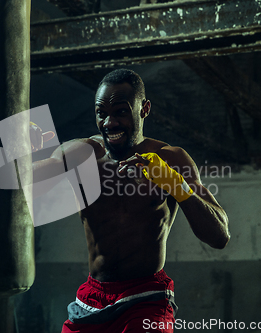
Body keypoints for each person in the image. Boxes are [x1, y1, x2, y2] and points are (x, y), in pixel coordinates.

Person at [30, 69, 230, 333]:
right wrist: (26, 151)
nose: (109, 122)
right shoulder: (81, 153)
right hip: (92, 297)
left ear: (144, 109)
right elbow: (24, 186)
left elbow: (219, 236)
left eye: (121, 112)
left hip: (146, 297)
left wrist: (176, 185)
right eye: (102, 112)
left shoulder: (171, 158)